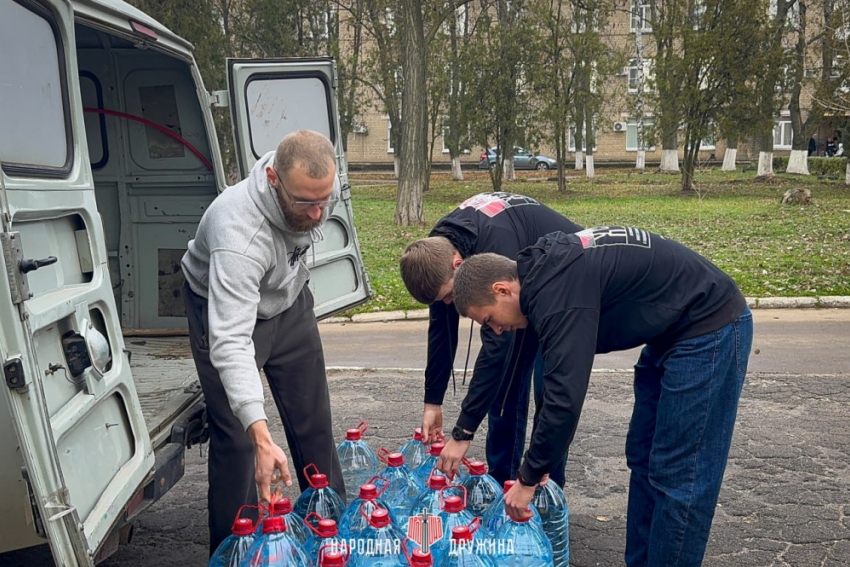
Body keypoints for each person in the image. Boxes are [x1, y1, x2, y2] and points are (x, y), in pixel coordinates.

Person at [446, 227, 752, 567]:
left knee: (680, 475)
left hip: (708, 325)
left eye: (489, 319)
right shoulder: (540, 281)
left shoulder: (557, 292)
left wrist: (527, 479)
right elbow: (551, 383)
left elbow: (566, 395)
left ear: (501, 289)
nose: (497, 330)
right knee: (644, 457)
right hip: (669, 332)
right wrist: (541, 460)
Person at [181, 130, 345, 554]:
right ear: (273, 179)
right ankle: (237, 553)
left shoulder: (315, 186)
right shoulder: (239, 234)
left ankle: (329, 539)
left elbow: (312, 208)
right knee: (238, 439)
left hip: (287, 300)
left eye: (324, 200)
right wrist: (260, 431)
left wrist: (312, 204)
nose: (316, 214)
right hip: (224, 309)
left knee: (314, 423)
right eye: (305, 203)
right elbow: (231, 342)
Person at [398, 192, 582, 488]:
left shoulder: (495, 253)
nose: (448, 303)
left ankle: (545, 493)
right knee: (504, 396)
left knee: (550, 399)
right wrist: (433, 400)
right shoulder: (435, 252)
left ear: (459, 265)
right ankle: (502, 488)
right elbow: (441, 329)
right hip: (522, 285)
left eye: (449, 296)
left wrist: (463, 432)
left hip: (564, 287)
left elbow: (498, 349)